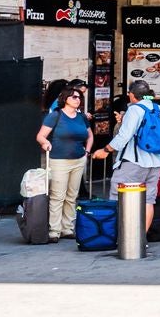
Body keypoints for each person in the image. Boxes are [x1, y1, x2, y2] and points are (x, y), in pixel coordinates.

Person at [92, 80, 160, 222]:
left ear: (131, 95)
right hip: (157, 161)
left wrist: (106, 150)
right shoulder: (159, 108)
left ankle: (122, 233)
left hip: (134, 161)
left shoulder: (134, 109)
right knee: (148, 200)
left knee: (119, 195)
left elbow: (124, 136)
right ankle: (141, 235)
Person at [36, 86, 93, 240]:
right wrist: (45, 143)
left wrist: (87, 152)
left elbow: (90, 136)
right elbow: (40, 136)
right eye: (74, 97)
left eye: (79, 97)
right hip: (59, 160)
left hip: (78, 159)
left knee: (72, 195)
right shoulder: (55, 115)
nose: (77, 99)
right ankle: (54, 230)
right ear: (65, 99)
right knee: (57, 196)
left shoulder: (81, 117)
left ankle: (67, 228)